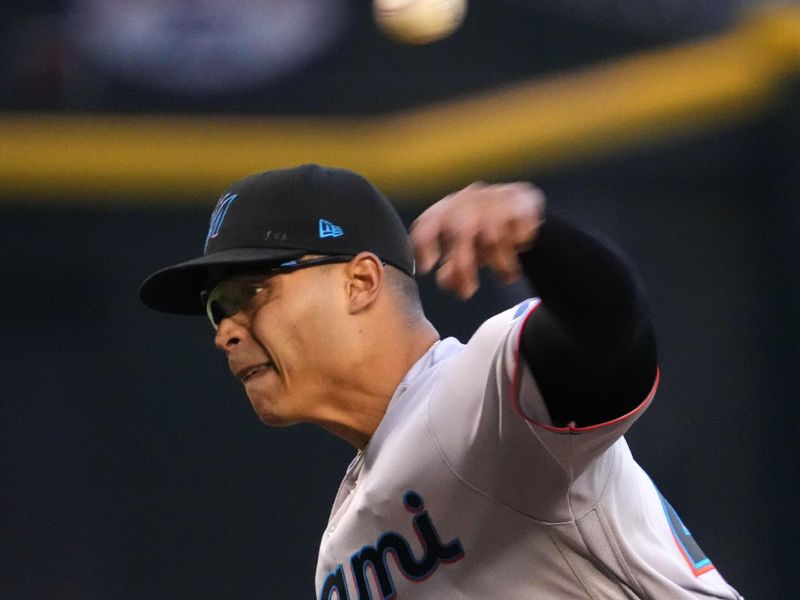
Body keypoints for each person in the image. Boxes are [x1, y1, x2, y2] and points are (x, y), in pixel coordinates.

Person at [139, 164, 742, 599]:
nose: (226, 332)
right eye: (218, 310)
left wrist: (542, 239)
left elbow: (611, 335)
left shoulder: (479, 390)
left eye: (251, 294)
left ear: (361, 282)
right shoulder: (339, 554)